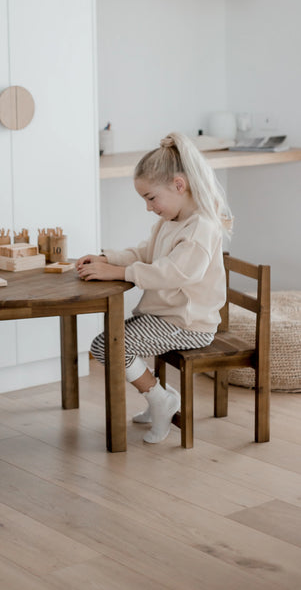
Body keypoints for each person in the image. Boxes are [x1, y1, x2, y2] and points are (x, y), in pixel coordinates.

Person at [76, 132, 232, 444]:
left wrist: (119, 272)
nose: (149, 208)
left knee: (110, 346)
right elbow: (145, 253)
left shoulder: (202, 227)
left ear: (179, 185)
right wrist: (109, 258)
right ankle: (159, 396)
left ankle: (160, 399)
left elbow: (173, 273)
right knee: (106, 343)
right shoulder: (171, 221)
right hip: (164, 317)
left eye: (151, 198)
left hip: (187, 324)